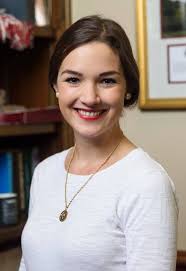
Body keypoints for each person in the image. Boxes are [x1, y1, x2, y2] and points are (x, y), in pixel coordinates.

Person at [19, 15, 178, 271]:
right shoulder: (44, 172)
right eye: (73, 79)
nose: (90, 98)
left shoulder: (147, 183)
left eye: (107, 81)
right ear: (56, 86)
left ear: (127, 87)